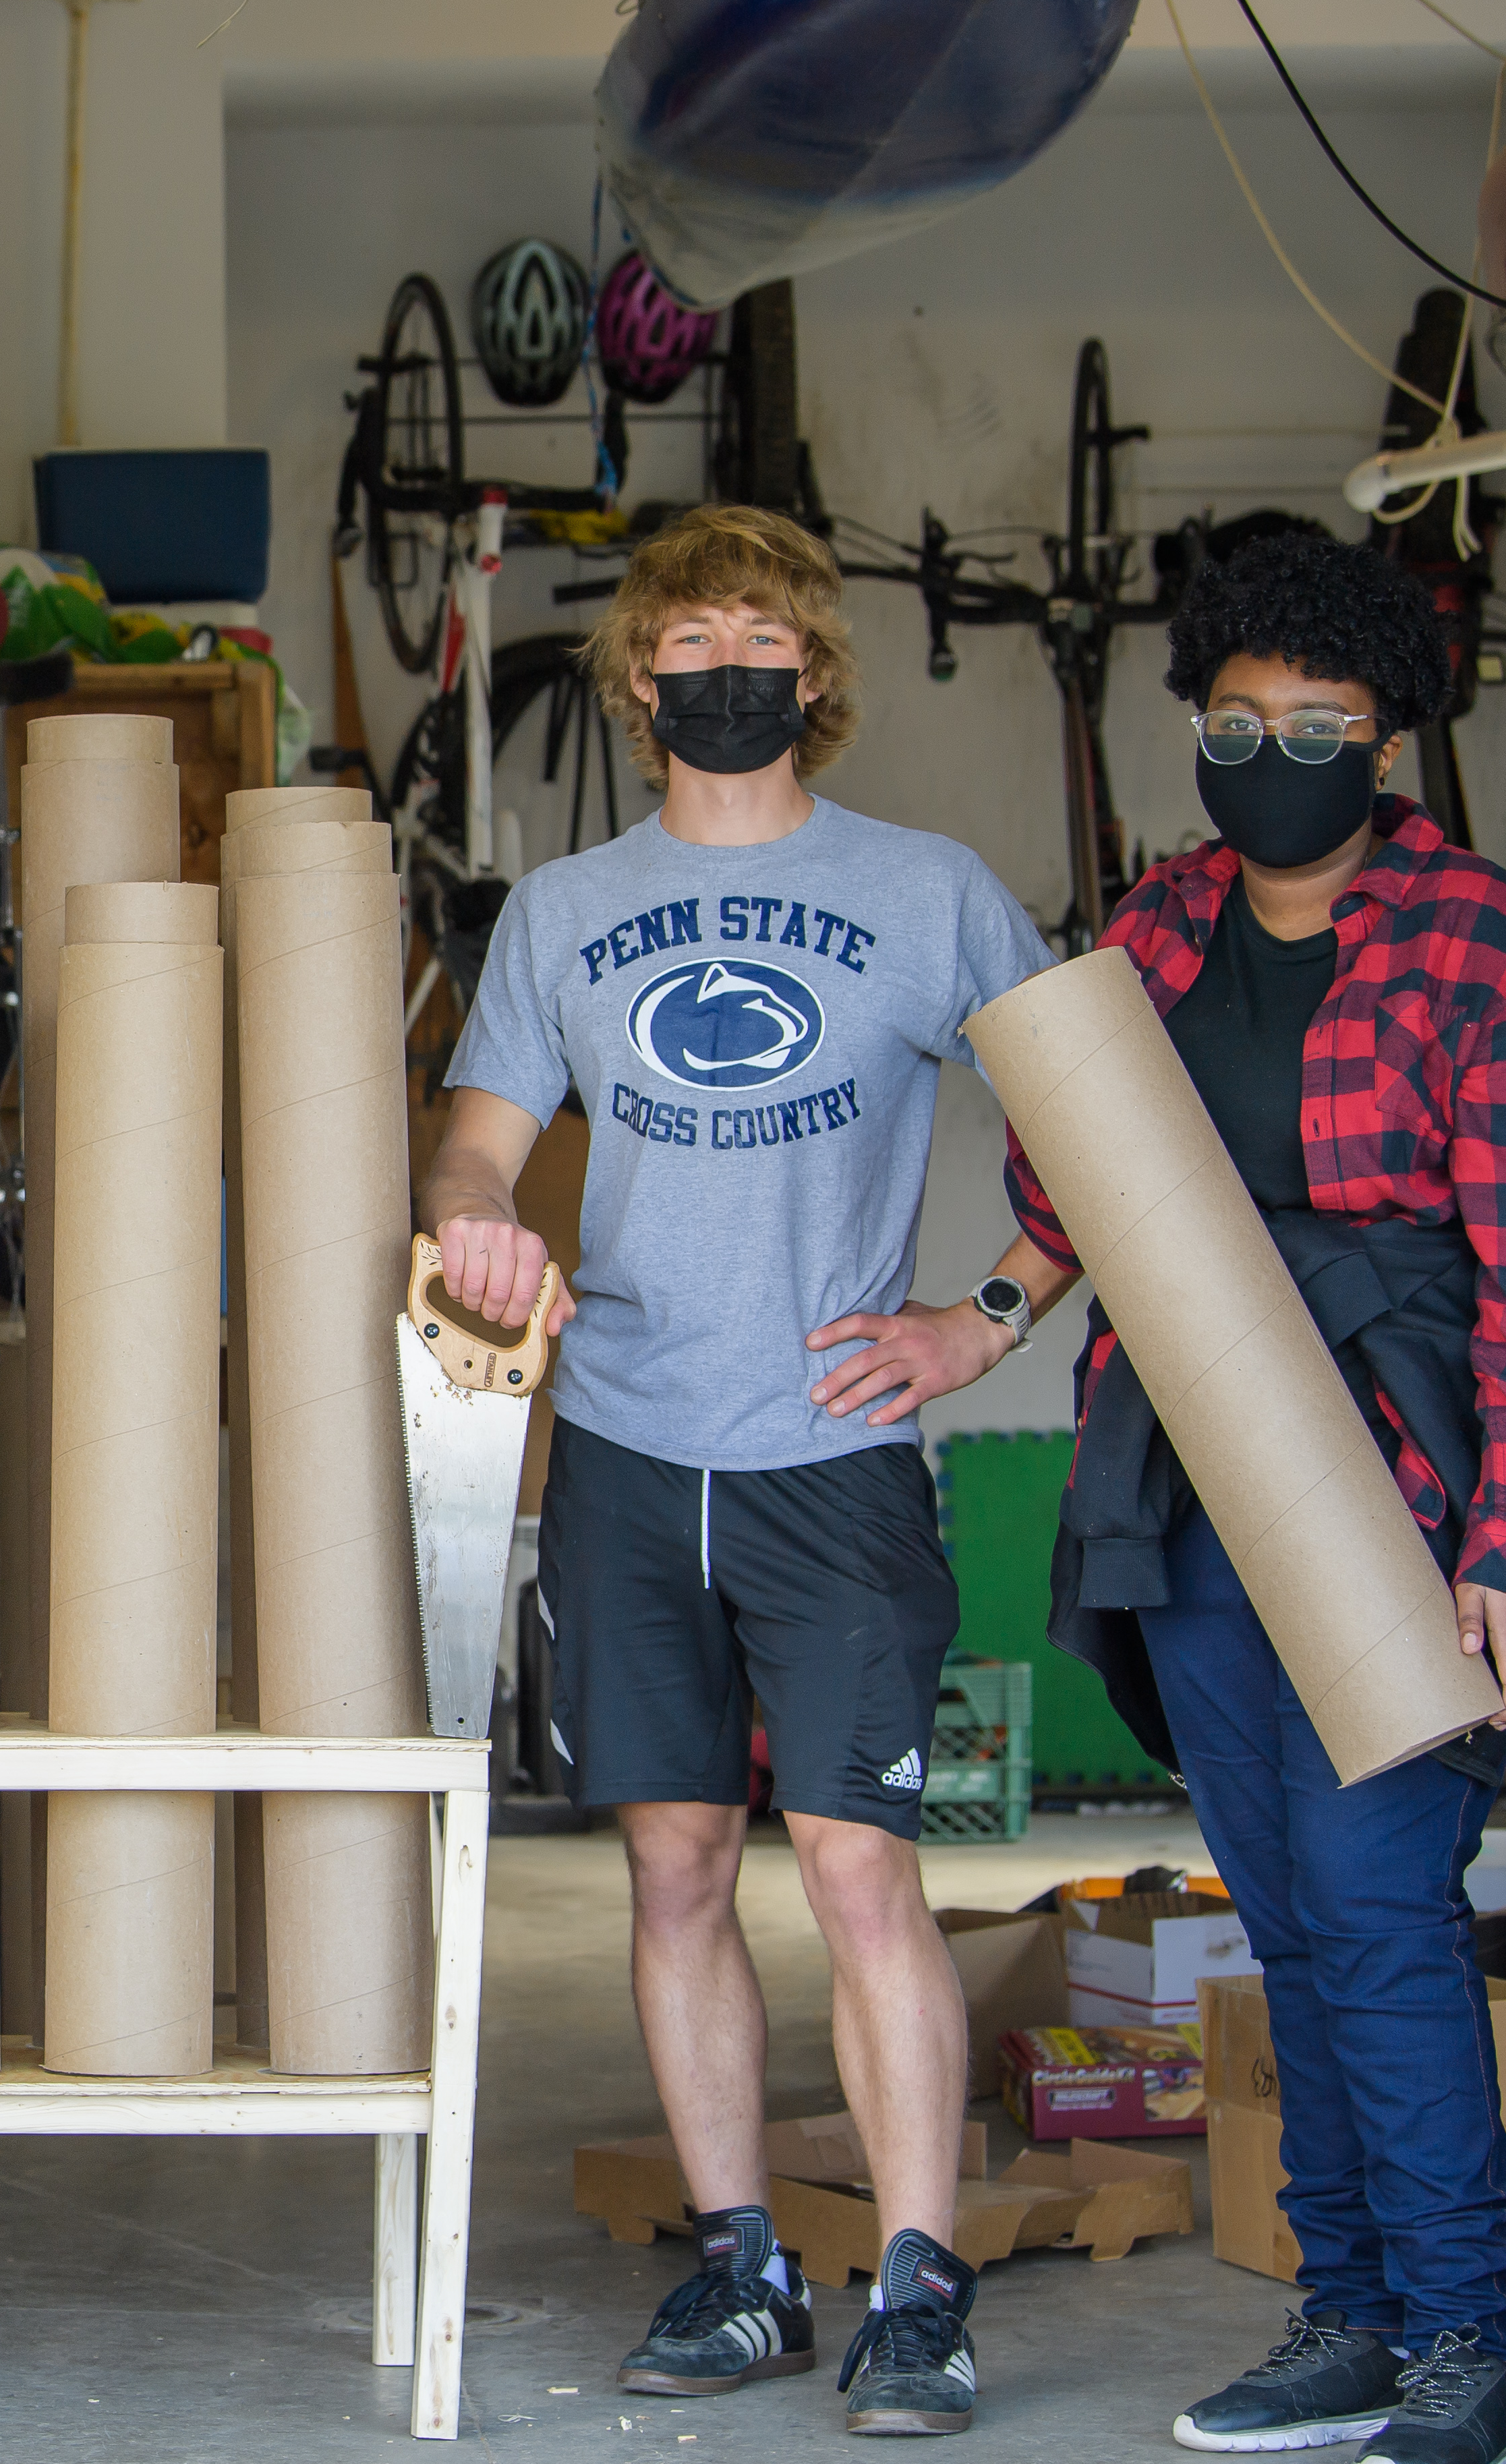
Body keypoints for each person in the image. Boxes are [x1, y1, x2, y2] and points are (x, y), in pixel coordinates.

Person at [822, 528, 1506, 2464]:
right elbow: (1072, 1182)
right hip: (1191, 1461)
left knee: (1378, 1906)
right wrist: (983, 1322)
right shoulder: (1167, 923)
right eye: (1237, 718)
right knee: (1286, 1910)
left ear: (1391, 734)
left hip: (1408, 1460)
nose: (1270, 750)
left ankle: (1465, 2350)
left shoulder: (1490, 953)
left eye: (1316, 723)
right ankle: (1347, 2317)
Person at [422, 504, 1051, 2438]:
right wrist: (477, 1225)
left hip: (836, 1456)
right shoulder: (564, 914)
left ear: (815, 677)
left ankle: (922, 2291)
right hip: (619, 1445)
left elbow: (1098, 1133)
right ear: (638, 684)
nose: (721, 676)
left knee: (863, 1873)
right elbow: (468, 1147)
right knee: (677, 1865)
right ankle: (737, 2263)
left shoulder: (933, 894)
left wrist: (987, 1321)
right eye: (685, 649)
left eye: (754, 646)